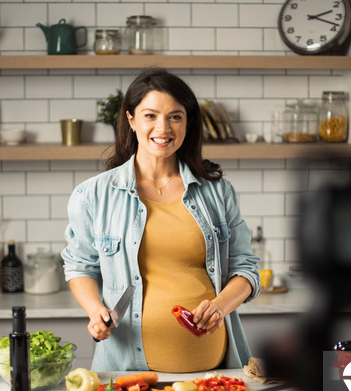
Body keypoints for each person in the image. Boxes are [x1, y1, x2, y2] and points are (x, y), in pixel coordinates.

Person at [61, 67, 260, 372]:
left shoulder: (218, 191)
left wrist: (220, 307)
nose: (163, 128)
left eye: (175, 116)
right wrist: (95, 310)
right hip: (128, 372)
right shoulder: (94, 195)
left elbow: (245, 269)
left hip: (216, 370)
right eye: (150, 115)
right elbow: (80, 266)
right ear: (131, 120)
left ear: (188, 122)